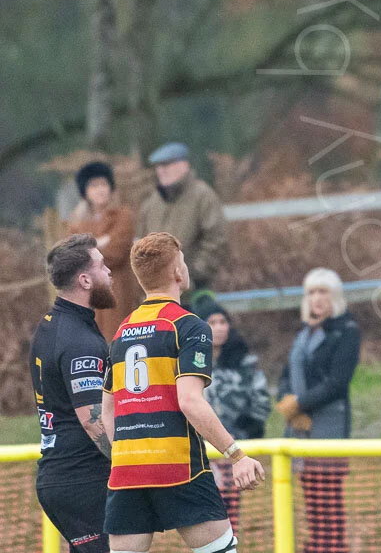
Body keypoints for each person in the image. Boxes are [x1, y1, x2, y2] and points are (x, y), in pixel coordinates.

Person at [104, 232, 264, 553]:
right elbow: (189, 401)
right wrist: (236, 455)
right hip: (178, 467)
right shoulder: (189, 326)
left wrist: (131, 455)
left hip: (127, 472)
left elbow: (108, 411)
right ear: (179, 272)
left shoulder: (121, 332)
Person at [32, 234, 117, 553]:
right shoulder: (78, 340)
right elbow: (92, 420)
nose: (109, 272)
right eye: (102, 265)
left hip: (63, 477)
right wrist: (129, 466)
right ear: (84, 279)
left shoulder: (52, 324)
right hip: (80, 479)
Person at [277, 268, 360, 553]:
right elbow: (287, 373)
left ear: (334, 295)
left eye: (323, 291)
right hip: (300, 428)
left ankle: (332, 546)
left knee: (328, 495)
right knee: (310, 493)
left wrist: (300, 404)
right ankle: (318, 544)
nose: (316, 298)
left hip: (329, 424)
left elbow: (337, 383)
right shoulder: (305, 332)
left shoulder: (347, 332)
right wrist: (286, 403)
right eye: (311, 292)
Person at [194, 298, 269, 531]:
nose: (219, 327)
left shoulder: (244, 362)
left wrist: (248, 429)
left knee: (229, 512)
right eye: (212, 322)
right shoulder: (190, 362)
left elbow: (262, 401)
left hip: (231, 448)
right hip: (199, 450)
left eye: (223, 321)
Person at [136, 143, 229, 296]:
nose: (161, 170)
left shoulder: (203, 196)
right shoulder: (152, 202)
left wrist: (195, 275)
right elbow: (141, 243)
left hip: (194, 294)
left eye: (167, 164)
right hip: (157, 294)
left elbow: (217, 239)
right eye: (158, 166)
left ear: (184, 165)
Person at [66, 161, 136, 338]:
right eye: (93, 185)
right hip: (88, 298)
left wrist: (91, 246)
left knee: (119, 341)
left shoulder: (123, 215)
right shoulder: (76, 223)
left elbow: (116, 253)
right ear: (85, 192)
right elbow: (74, 257)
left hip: (118, 292)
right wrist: (102, 242)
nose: (100, 190)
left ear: (111, 187)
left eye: (104, 184)